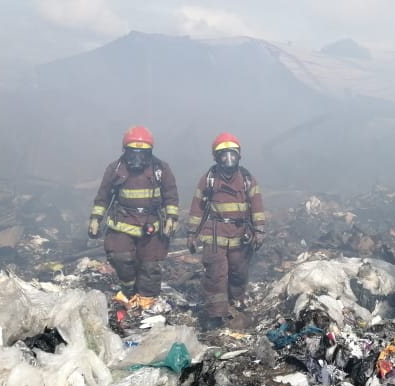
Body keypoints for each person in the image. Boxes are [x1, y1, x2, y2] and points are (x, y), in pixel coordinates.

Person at [88, 125, 179, 305]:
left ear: (150, 153)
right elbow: (103, 196)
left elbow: (171, 195)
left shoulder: (161, 169)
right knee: (120, 257)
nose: (137, 158)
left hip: (151, 223)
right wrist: (95, 219)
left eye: (142, 154)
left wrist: (171, 218)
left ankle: (146, 302)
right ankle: (129, 288)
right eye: (133, 153)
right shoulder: (116, 169)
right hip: (123, 222)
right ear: (125, 151)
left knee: (150, 265)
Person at [186, 132, 266, 329]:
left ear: (239, 155)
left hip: (240, 233)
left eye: (232, 154)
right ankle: (216, 314)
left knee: (239, 272)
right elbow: (197, 207)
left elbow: (256, 205)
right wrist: (192, 233)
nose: (229, 159)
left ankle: (235, 302)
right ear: (216, 157)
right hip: (215, 233)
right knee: (216, 274)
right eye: (224, 155)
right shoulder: (209, 179)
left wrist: (259, 231)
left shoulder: (247, 179)